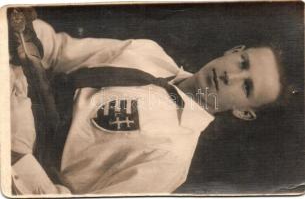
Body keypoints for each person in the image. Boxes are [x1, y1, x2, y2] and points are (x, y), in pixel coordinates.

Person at [10, 18, 282, 195]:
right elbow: (58, 50)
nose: (230, 76)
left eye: (246, 87)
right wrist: (25, 33)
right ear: (234, 51)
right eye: (242, 63)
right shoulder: (147, 52)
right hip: (12, 85)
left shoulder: (171, 158)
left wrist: (17, 156)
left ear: (243, 112)